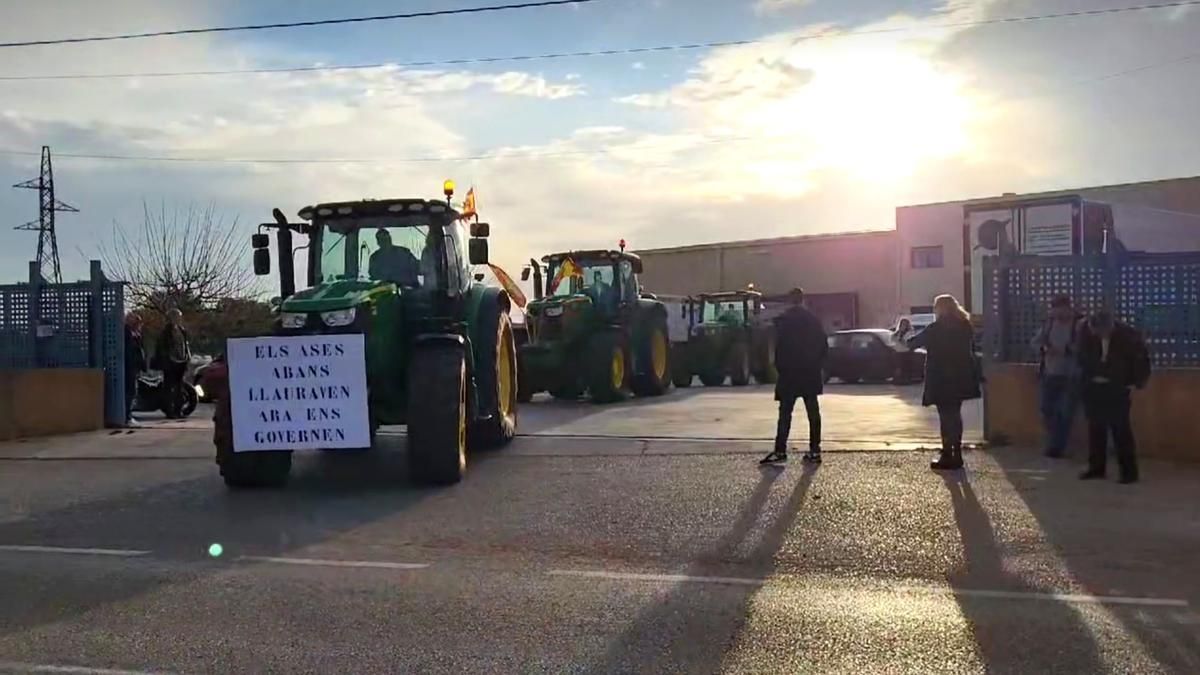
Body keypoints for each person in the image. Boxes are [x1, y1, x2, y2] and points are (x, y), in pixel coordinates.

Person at [907, 294, 980, 471]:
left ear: (940, 308)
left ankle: (947, 454)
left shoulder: (936, 328)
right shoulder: (965, 326)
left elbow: (912, 344)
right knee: (955, 414)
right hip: (961, 376)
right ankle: (957, 453)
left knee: (945, 417)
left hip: (940, 377)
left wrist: (904, 335)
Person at [1077, 310, 1150, 484]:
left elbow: (1141, 361)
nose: (1097, 335)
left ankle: (1129, 473)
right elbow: (1081, 356)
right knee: (1095, 427)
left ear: (1110, 327)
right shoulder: (1085, 332)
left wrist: (1135, 382)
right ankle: (1096, 467)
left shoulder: (1129, 336)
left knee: (1120, 429)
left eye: (1101, 332)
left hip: (1118, 386)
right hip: (1094, 386)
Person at [760, 287, 828, 465]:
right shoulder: (813, 320)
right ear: (803, 300)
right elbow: (823, 345)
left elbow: (778, 347)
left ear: (790, 300)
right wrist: (817, 365)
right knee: (813, 412)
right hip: (809, 372)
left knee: (785, 413)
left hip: (790, 374)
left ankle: (780, 450)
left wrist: (780, 368)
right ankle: (815, 450)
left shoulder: (784, 320)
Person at [1030, 295, 1081, 457]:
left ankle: (1057, 447)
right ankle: (1053, 442)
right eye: (1054, 310)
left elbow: (1086, 348)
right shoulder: (1049, 323)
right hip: (1050, 373)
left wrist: (1066, 351)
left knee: (1065, 412)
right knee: (1046, 410)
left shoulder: (1078, 325)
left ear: (1068, 308)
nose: (1057, 314)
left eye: (1060, 310)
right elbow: (1035, 342)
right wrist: (1045, 348)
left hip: (1071, 375)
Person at [156, 308, 191, 419]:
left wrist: (187, 356)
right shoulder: (165, 332)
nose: (179, 319)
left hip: (181, 362)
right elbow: (162, 348)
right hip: (170, 363)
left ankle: (178, 410)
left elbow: (185, 345)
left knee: (179, 388)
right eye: (177, 316)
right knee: (169, 388)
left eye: (179, 317)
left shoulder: (182, 330)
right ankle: (169, 411)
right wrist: (167, 360)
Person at [123, 313, 146, 427]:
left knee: (132, 391)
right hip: (129, 366)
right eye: (136, 322)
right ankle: (127, 416)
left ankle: (128, 415)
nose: (138, 324)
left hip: (134, 366)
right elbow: (131, 351)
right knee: (130, 391)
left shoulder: (137, 334)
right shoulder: (127, 333)